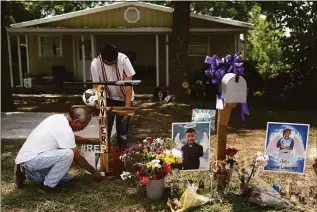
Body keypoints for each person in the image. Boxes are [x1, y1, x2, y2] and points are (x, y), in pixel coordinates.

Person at [14, 108, 102, 194]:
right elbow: (77, 157)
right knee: (68, 154)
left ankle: (27, 172)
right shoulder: (64, 129)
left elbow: (69, 138)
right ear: (76, 121)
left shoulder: (58, 118)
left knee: (64, 178)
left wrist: (90, 141)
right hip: (32, 160)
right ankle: (47, 186)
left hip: (31, 158)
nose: (82, 129)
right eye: (82, 126)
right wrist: (93, 171)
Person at [90, 44, 135, 147]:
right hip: (107, 98)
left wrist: (127, 109)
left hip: (125, 98)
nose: (111, 65)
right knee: (105, 129)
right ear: (102, 58)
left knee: (122, 131)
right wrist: (99, 106)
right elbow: (96, 87)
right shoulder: (95, 64)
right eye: (108, 63)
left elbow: (129, 86)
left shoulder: (124, 59)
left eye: (113, 63)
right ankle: (104, 157)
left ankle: (121, 156)